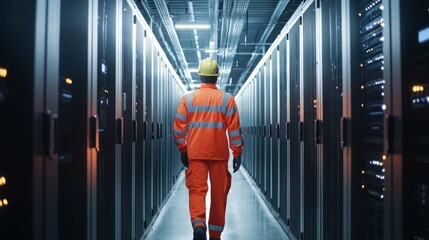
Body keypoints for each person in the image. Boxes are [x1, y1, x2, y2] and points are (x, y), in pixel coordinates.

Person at [173, 57, 244, 240]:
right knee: (219, 193)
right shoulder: (227, 100)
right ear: (216, 77)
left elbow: (178, 127)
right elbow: (234, 131)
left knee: (197, 190)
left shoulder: (188, 99)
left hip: (195, 154)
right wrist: (237, 153)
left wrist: (183, 149)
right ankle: (214, 234)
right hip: (219, 155)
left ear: (200, 76)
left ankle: (198, 225)